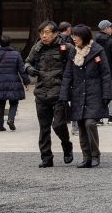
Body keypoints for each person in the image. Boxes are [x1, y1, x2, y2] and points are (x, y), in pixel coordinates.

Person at [59, 24, 112, 168]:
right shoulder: (73, 53)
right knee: (81, 125)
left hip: (95, 93)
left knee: (90, 123)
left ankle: (95, 154)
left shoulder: (97, 51)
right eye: (73, 36)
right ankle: (86, 156)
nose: (74, 39)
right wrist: (64, 95)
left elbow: (106, 75)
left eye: (77, 36)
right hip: (78, 94)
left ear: (84, 37)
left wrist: (106, 95)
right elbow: (68, 75)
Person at [25, 21, 75, 167]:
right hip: (41, 92)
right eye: (41, 33)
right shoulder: (37, 47)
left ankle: (67, 146)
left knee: (58, 124)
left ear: (55, 33)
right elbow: (27, 62)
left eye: (47, 32)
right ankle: (46, 157)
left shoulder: (66, 47)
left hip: (59, 91)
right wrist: (29, 69)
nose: (44, 36)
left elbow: (75, 66)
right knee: (44, 127)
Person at [0, 34, 29, 132]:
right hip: (13, 81)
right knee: (14, 102)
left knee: (0, 103)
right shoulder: (16, 54)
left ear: (0, 44)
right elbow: (22, 70)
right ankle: (11, 119)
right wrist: (26, 82)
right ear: (9, 43)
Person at [93, 20, 112, 124]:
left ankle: (98, 118)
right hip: (110, 72)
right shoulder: (111, 42)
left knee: (98, 93)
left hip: (96, 72)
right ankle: (111, 116)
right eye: (110, 27)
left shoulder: (94, 41)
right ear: (106, 29)